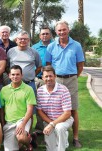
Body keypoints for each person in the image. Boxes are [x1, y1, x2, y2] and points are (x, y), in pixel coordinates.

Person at [46, 20, 85, 148]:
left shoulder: (77, 45)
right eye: (59, 30)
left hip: (71, 80)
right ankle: (54, 135)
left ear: (68, 30)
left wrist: (73, 76)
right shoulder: (51, 46)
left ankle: (75, 138)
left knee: (73, 109)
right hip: (56, 80)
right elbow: (48, 65)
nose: (62, 32)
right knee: (55, 109)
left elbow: (80, 66)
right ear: (56, 32)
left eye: (64, 29)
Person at [37, 65, 74, 151]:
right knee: (51, 149)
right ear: (42, 77)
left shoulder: (63, 90)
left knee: (59, 128)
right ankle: (63, 138)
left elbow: (67, 113)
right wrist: (51, 123)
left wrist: (53, 124)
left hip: (65, 120)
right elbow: (40, 111)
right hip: (49, 121)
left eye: (50, 76)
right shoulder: (40, 91)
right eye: (46, 76)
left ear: (55, 76)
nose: (48, 78)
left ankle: (62, 147)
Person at [0, 65, 37, 151]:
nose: (15, 77)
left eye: (17, 74)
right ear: (9, 75)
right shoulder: (4, 90)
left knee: (21, 138)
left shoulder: (28, 89)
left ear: (22, 75)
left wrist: (23, 124)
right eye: (13, 74)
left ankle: (29, 145)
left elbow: (30, 110)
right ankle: (29, 138)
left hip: (23, 119)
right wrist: (3, 124)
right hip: (9, 123)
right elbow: (2, 109)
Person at [32, 26, 53, 134]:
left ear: (50, 35)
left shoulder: (55, 45)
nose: (45, 35)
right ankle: (40, 127)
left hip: (52, 79)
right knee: (39, 103)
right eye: (43, 34)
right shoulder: (34, 47)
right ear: (40, 36)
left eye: (47, 33)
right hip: (39, 79)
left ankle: (52, 125)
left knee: (51, 104)